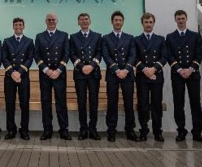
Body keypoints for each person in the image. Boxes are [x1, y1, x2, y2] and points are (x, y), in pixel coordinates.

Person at [166, 9, 202, 143]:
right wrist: (179, 69)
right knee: (179, 103)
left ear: (186, 19)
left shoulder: (195, 36)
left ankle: (197, 132)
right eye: (178, 18)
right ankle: (181, 131)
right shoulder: (170, 37)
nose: (181, 21)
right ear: (175, 20)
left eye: (183, 18)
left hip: (192, 74)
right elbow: (169, 56)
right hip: (177, 75)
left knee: (195, 103)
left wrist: (190, 69)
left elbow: (198, 55)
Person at [101, 10, 138, 142]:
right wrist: (117, 70)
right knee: (112, 103)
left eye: (120, 20)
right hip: (113, 74)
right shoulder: (105, 38)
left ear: (123, 22)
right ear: (112, 22)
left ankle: (130, 130)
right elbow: (106, 56)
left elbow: (133, 55)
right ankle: (111, 131)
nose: (118, 22)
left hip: (127, 75)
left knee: (129, 103)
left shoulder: (130, 38)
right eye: (115, 20)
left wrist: (126, 70)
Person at [34, 12, 72, 141]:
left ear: (57, 21)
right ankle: (47, 130)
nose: (51, 21)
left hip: (59, 74)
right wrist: (46, 70)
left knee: (61, 102)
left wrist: (58, 70)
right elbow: (37, 55)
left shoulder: (63, 35)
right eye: (49, 20)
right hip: (45, 75)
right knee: (46, 103)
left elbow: (66, 54)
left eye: (53, 20)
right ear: (46, 21)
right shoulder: (39, 36)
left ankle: (64, 130)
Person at [134, 12, 168, 142]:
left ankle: (157, 132)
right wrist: (144, 69)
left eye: (150, 22)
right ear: (142, 24)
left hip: (156, 77)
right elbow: (134, 57)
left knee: (156, 105)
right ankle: (143, 131)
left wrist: (154, 69)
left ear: (154, 23)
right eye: (146, 22)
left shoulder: (160, 39)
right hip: (142, 77)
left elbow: (164, 56)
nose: (148, 24)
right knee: (142, 105)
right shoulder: (136, 40)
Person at [69, 12, 102, 140]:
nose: (84, 21)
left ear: (90, 21)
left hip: (93, 73)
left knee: (94, 102)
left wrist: (92, 66)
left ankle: (93, 129)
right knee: (81, 102)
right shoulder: (73, 37)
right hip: (80, 74)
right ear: (78, 22)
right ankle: (83, 129)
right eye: (81, 19)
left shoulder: (97, 36)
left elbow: (99, 53)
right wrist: (82, 66)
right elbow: (72, 54)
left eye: (86, 19)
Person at [2, 17, 35, 140]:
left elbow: (29, 58)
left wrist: (19, 72)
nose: (18, 27)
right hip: (10, 77)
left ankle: (24, 130)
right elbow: (4, 58)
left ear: (23, 26)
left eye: (20, 25)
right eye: (16, 25)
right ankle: (11, 130)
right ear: (13, 26)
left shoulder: (29, 41)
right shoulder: (7, 41)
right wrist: (12, 72)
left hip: (23, 77)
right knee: (10, 104)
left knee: (24, 104)